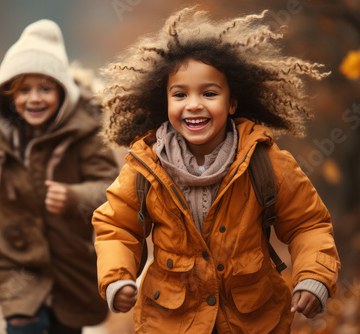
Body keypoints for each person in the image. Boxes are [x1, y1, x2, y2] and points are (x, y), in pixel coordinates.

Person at [92, 7, 341, 333]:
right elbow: (117, 227)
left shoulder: (264, 161)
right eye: (180, 94)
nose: (194, 104)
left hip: (252, 321)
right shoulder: (146, 167)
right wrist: (116, 278)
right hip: (171, 321)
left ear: (232, 102)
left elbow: (308, 224)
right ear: (165, 102)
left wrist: (313, 278)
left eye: (209, 93)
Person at [0, 19, 118, 334]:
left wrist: (74, 197)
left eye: (46, 88)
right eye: (24, 90)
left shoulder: (83, 132)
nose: (34, 98)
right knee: (22, 325)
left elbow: (111, 189)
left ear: (63, 92)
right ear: (8, 95)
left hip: (68, 259)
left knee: (66, 325)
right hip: (16, 258)